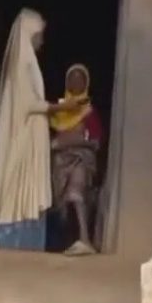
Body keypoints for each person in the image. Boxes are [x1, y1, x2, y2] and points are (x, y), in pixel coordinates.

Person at [0, 9, 86, 250]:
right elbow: (29, 104)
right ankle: (13, 236)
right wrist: (60, 107)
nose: (42, 40)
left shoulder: (29, 63)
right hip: (23, 138)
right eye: (39, 35)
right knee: (16, 186)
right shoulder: (21, 66)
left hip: (30, 137)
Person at [50, 64, 103, 256]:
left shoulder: (89, 112)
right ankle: (66, 241)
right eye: (72, 79)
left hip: (81, 159)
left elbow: (95, 142)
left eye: (80, 79)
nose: (75, 82)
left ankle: (85, 239)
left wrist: (73, 142)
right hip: (60, 162)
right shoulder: (58, 111)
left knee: (76, 194)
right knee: (63, 204)